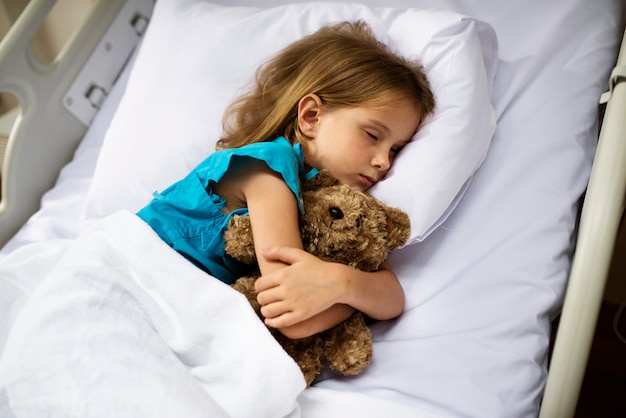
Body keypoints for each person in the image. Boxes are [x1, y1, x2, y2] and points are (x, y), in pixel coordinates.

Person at [137, 20, 435, 340]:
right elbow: (294, 322)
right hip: (136, 283)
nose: (384, 162)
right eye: (372, 135)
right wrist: (349, 290)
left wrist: (341, 284)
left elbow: (393, 298)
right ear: (311, 117)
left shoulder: (326, 206)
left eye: (396, 150)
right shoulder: (268, 172)